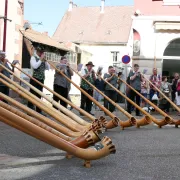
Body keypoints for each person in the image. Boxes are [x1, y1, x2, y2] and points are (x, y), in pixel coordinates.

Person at [27, 46, 50, 114]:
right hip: (34, 79)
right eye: (41, 52)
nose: (41, 53)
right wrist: (40, 59)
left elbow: (48, 68)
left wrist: (45, 61)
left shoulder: (42, 59)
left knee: (39, 95)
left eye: (42, 52)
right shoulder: (33, 57)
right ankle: (30, 111)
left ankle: (38, 111)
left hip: (41, 79)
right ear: (37, 51)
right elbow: (35, 66)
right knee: (32, 95)